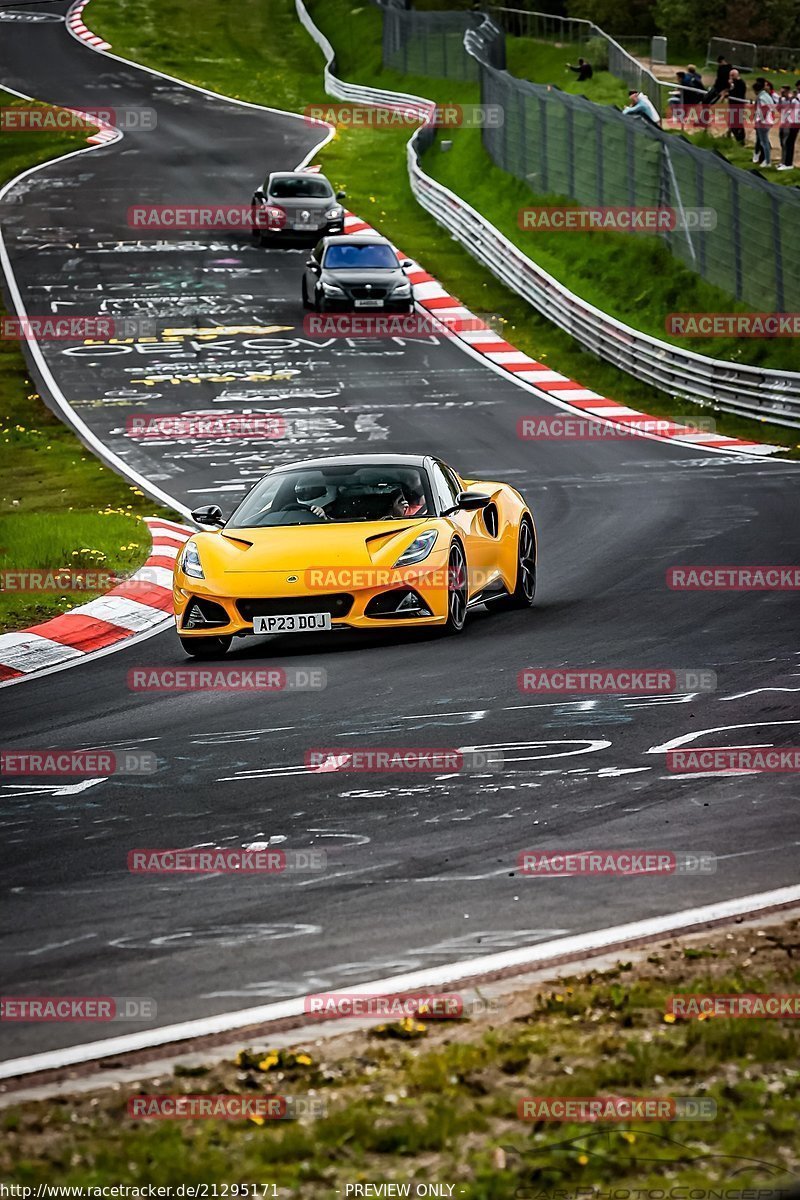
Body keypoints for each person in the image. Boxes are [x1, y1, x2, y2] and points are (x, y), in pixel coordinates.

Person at [752, 78, 776, 166]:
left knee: (764, 142)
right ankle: (764, 159)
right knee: (762, 141)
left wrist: (759, 121)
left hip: (763, 122)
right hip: (768, 121)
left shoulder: (761, 98)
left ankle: (767, 161)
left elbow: (763, 110)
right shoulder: (767, 96)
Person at [777, 85, 800, 170]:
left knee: (788, 143)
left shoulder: (794, 100)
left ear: (787, 92)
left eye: (783, 92)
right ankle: (783, 161)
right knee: (783, 143)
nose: (782, 94)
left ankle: (788, 163)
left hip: (792, 124)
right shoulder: (783, 100)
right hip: (784, 123)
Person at [723, 68, 747, 143]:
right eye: (730, 75)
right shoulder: (733, 83)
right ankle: (730, 135)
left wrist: (730, 92)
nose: (731, 77)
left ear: (737, 75)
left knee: (736, 123)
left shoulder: (740, 83)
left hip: (738, 106)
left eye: (733, 75)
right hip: (732, 105)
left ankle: (740, 139)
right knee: (732, 122)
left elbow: (738, 93)